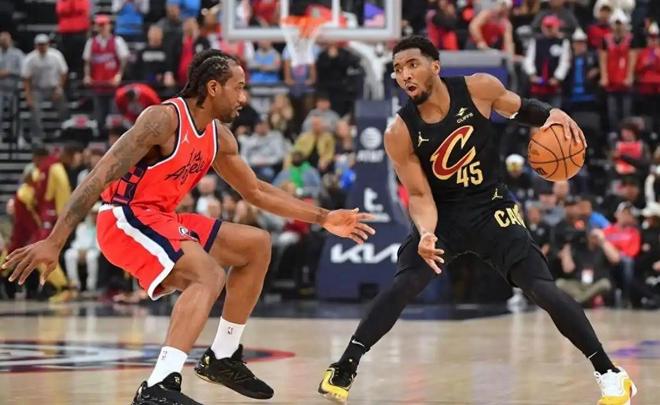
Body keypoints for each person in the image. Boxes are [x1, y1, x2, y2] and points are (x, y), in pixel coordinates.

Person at [3, 49, 375, 405]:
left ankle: (222, 356)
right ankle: (158, 385)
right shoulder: (162, 120)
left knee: (256, 244)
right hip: (123, 217)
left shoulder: (219, 136)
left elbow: (256, 191)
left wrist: (323, 217)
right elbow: (99, 175)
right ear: (213, 87)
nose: (244, 97)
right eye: (238, 87)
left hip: (163, 218)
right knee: (207, 275)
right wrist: (55, 241)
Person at [318, 36, 636, 405]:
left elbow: (522, 109)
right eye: (398, 69)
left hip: (491, 206)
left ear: (435, 66)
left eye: (412, 64)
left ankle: (611, 374)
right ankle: (345, 366)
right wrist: (426, 233)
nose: (405, 74)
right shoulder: (399, 132)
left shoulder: (478, 88)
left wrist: (553, 114)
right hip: (443, 215)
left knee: (540, 288)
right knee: (404, 285)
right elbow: (419, 195)